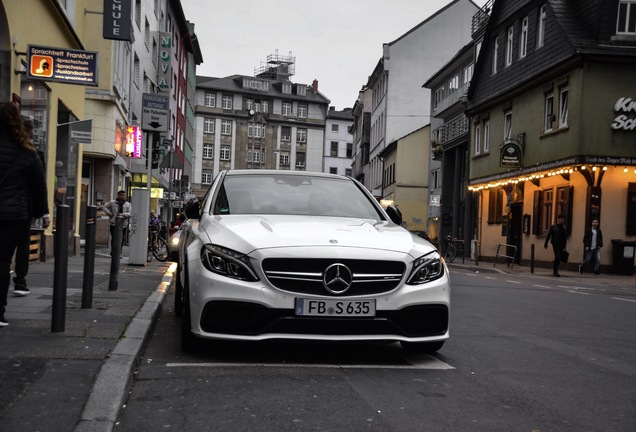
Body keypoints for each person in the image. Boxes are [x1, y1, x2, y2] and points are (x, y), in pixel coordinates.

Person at [0, 102, 48, 327]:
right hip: (12, 216)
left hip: (13, 213)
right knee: (2, 262)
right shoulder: (28, 153)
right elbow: (39, 187)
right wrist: (42, 213)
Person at [12, 119, 50, 297]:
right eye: (32, 131)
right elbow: (40, 186)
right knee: (22, 243)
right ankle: (20, 281)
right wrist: (45, 212)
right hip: (22, 207)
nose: (34, 134)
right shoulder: (34, 154)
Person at [102, 190, 132, 255]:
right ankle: (113, 251)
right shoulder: (112, 203)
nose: (122, 196)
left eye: (124, 195)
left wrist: (123, 214)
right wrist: (109, 213)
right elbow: (104, 207)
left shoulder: (128, 204)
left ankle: (119, 252)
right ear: (118, 195)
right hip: (114, 223)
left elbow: (130, 213)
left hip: (123, 224)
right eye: (121, 195)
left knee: (121, 238)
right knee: (114, 238)